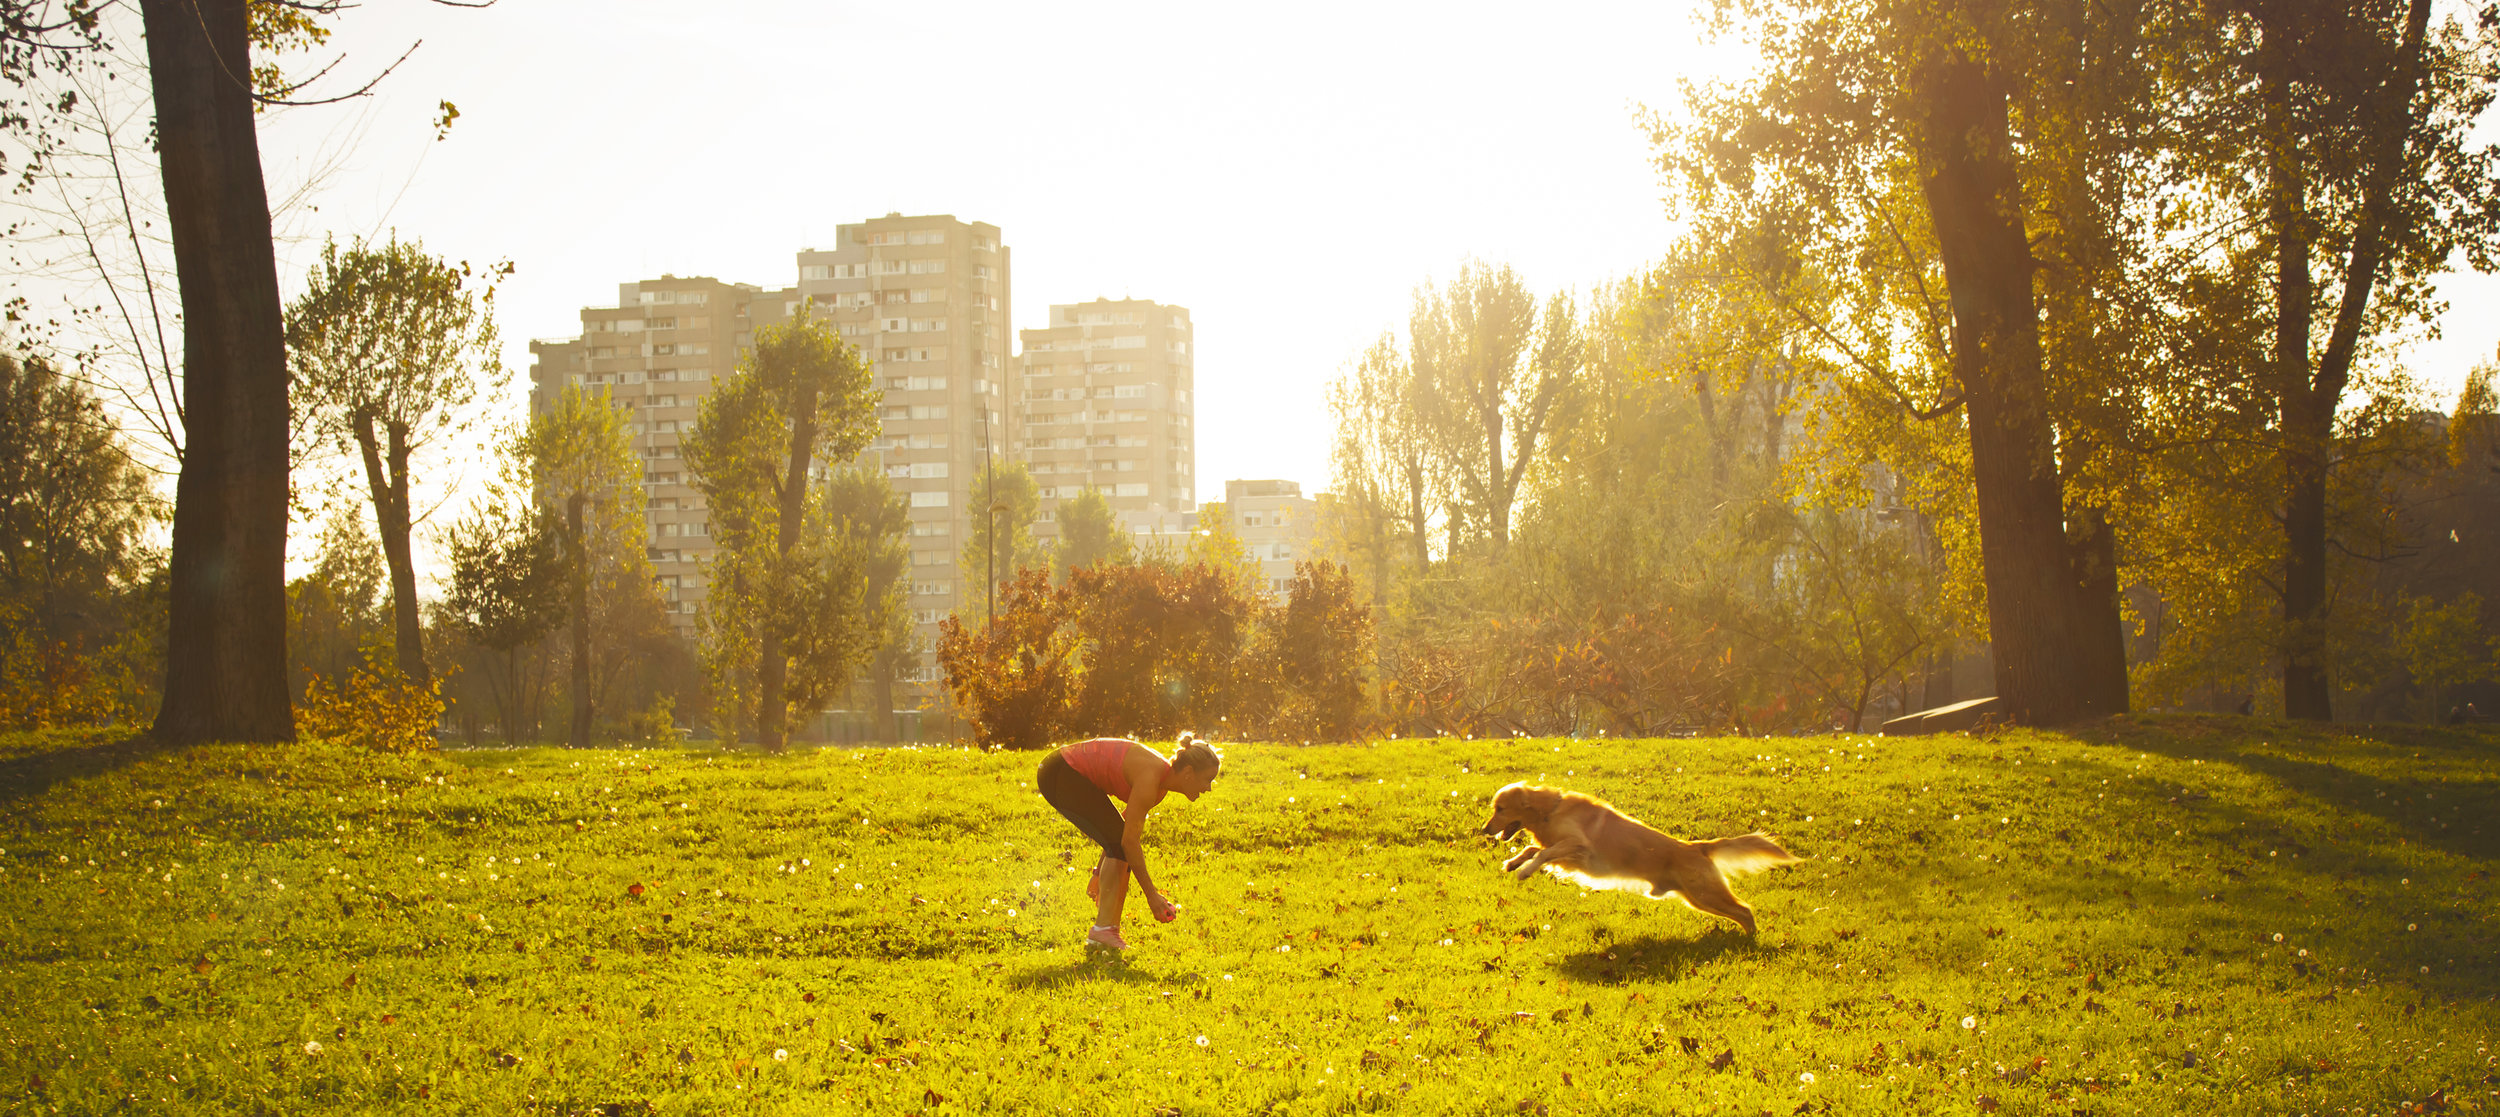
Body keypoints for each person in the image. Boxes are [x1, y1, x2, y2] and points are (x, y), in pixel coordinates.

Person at [1035, 732, 1221, 951]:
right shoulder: (1151, 779)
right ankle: (1103, 931)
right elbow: (1128, 842)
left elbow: (1120, 831)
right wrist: (1152, 896)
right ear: (1189, 773)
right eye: (1207, 780)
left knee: (1120, 848)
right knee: (1123, 850)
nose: (1208, 788)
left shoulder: (1159, 785)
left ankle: (1107, 931)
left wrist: (1099, 872)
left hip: (1061, 770)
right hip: (1060, 772)